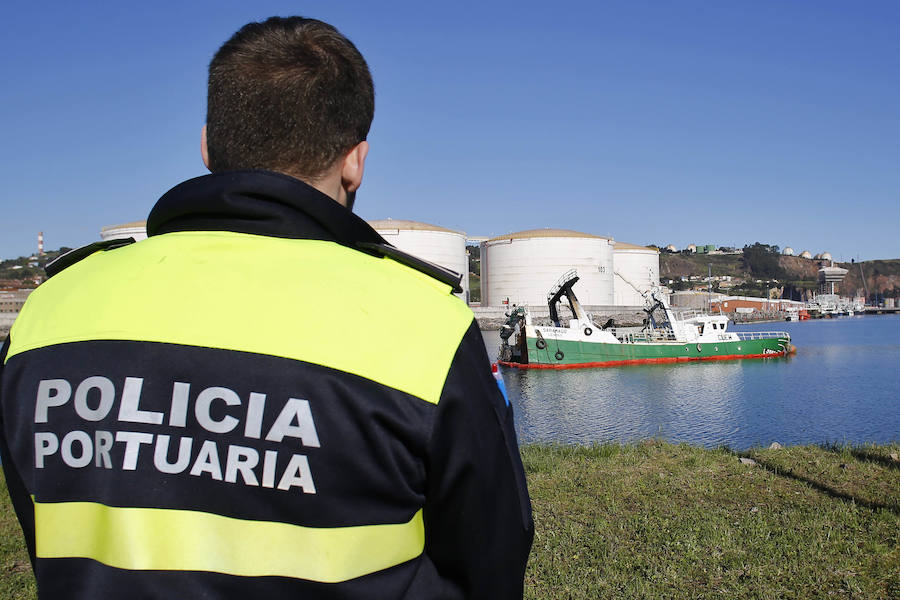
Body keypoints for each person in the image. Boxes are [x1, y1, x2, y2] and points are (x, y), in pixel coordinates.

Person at [0, 16, 533, 599]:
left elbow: (44, 529)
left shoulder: (50, 313)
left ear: (207, 144)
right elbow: (491, 555)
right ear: (356, 159)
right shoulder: (423, 325)